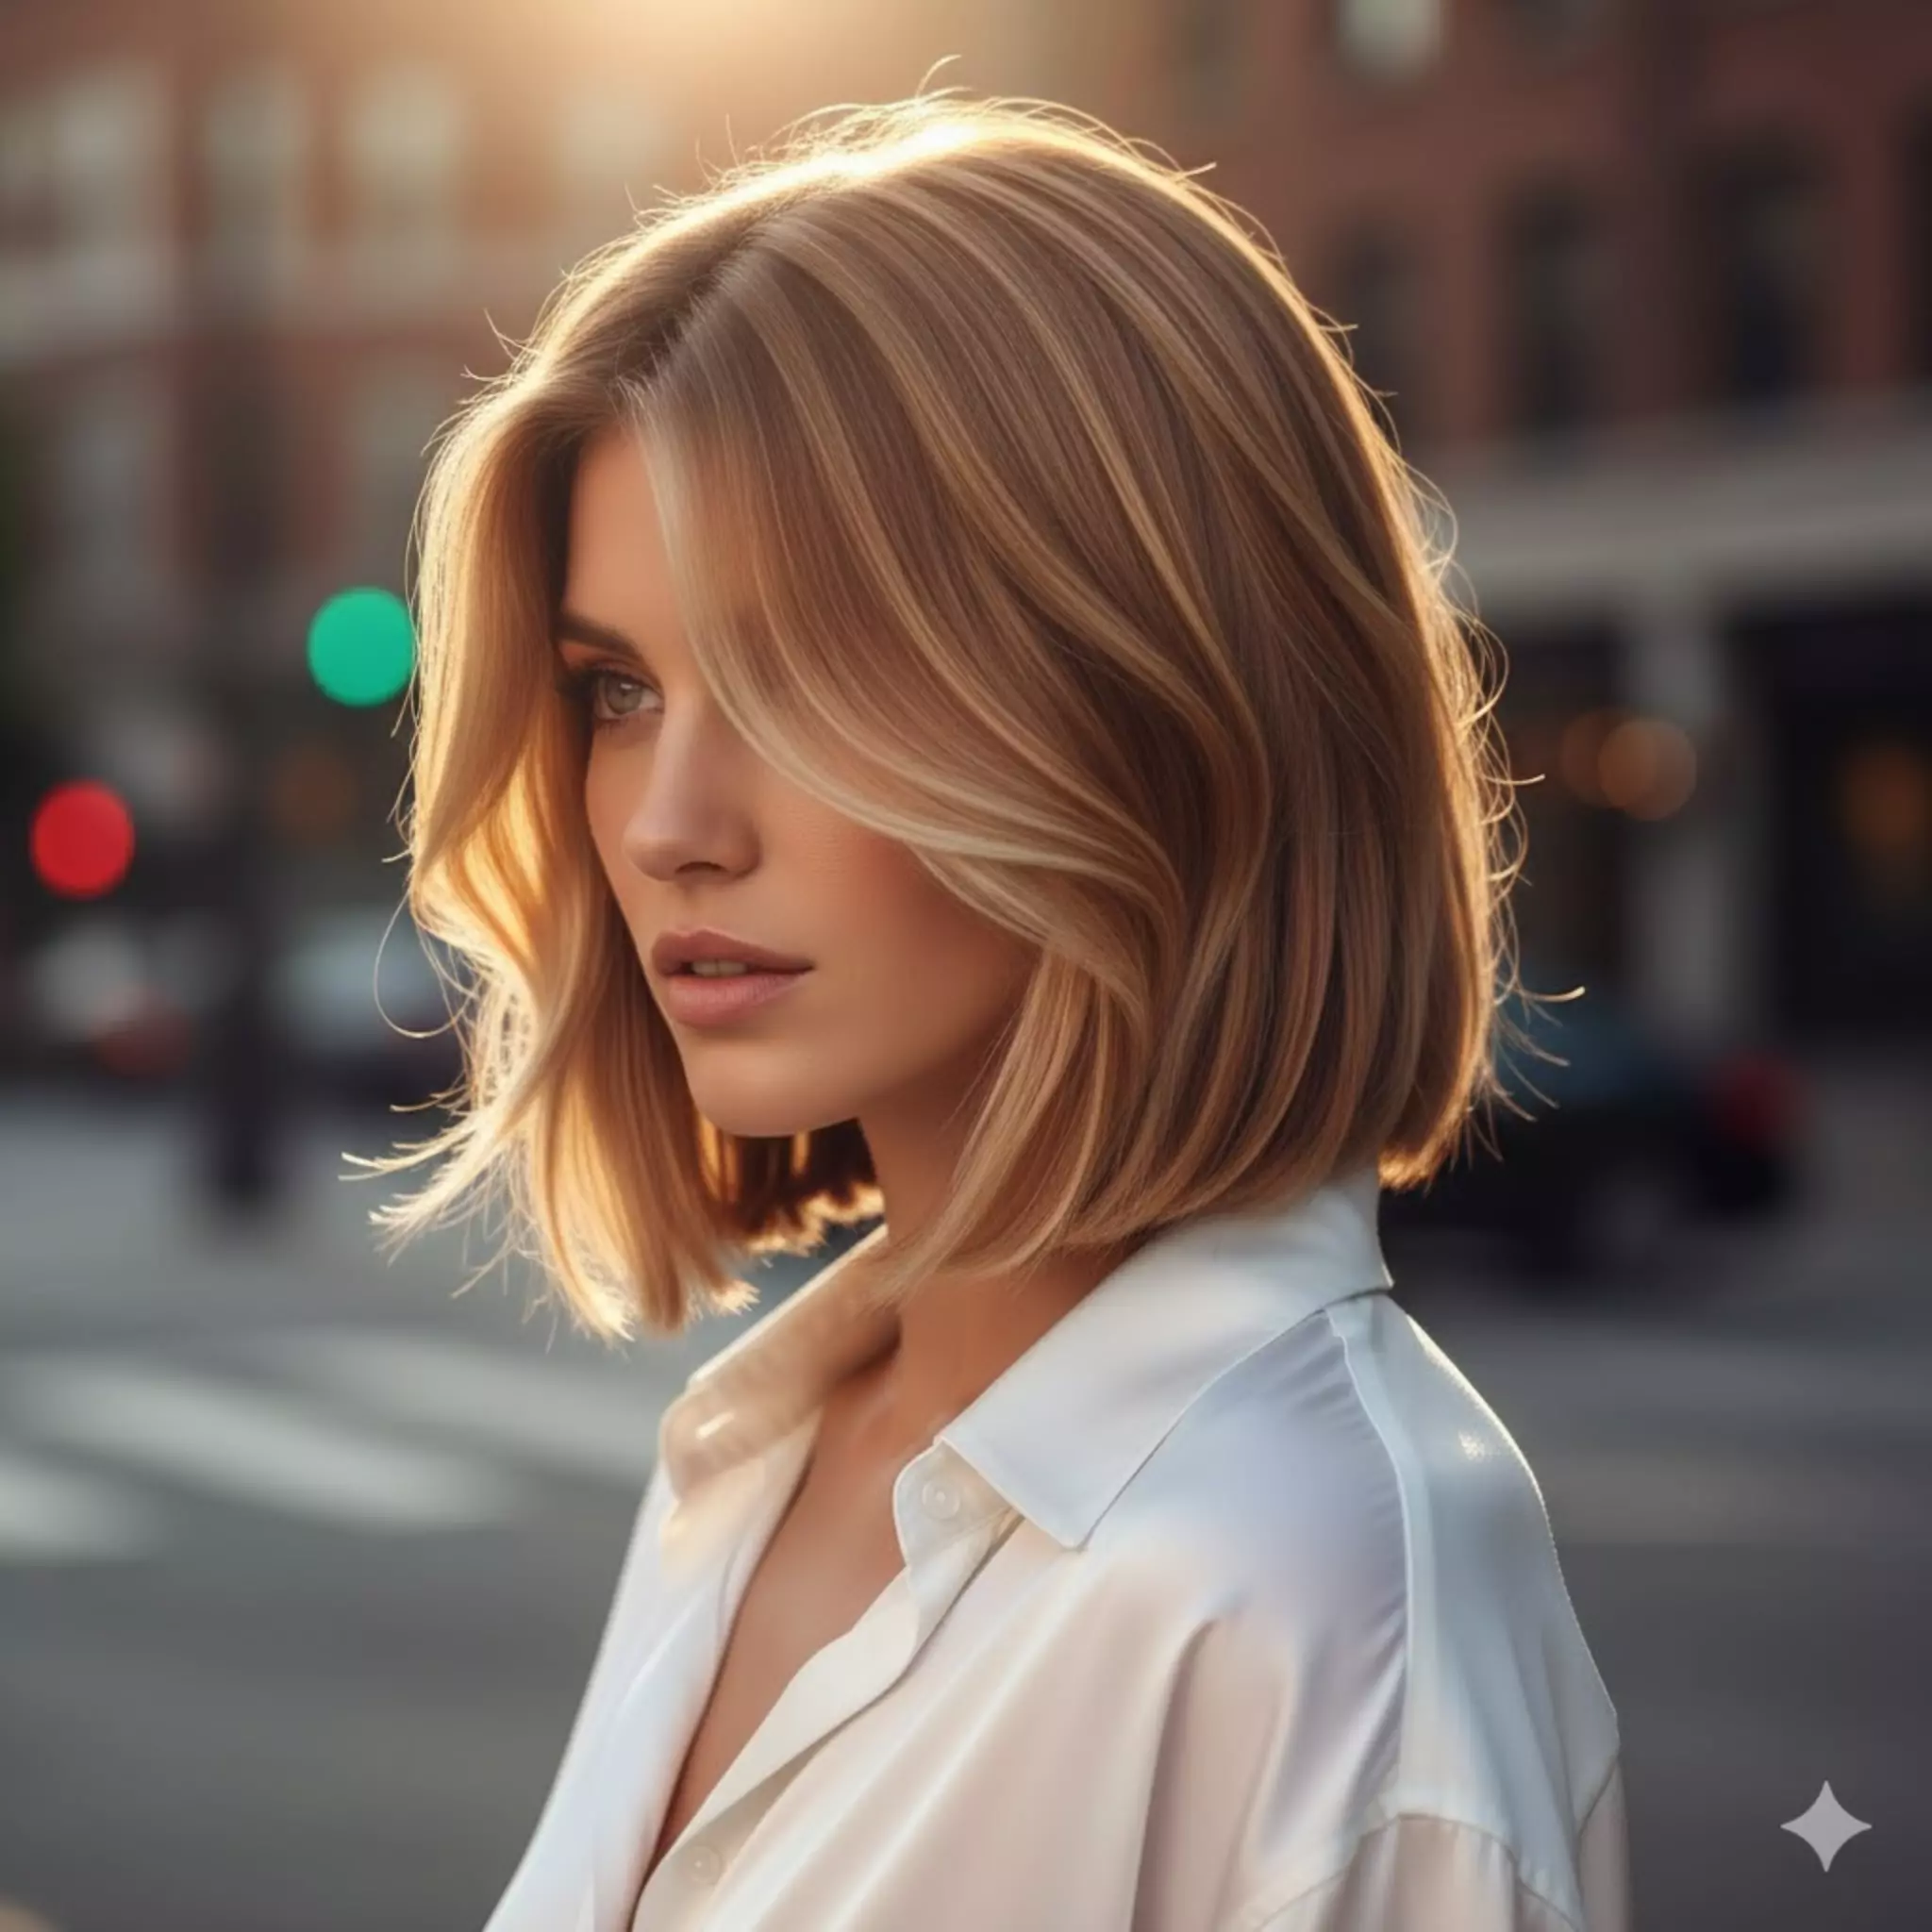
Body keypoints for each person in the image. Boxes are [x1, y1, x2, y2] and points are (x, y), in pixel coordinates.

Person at [362, 91, 1630, 1932]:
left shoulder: (1325, 1595)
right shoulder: (770, 1444)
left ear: (1155, 699)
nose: (664, 826)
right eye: (615, 687)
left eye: (806, 669)